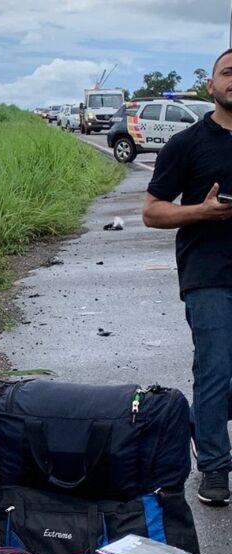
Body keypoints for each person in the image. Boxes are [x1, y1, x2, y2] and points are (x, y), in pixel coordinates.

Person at [143, 48, 232, 506]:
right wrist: (203, 211)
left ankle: (201, 421)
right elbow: (152, 212)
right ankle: (215, 466)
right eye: (228, 72)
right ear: (211, 85)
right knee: (216, 368)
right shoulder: (188, 143)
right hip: (209, 272)